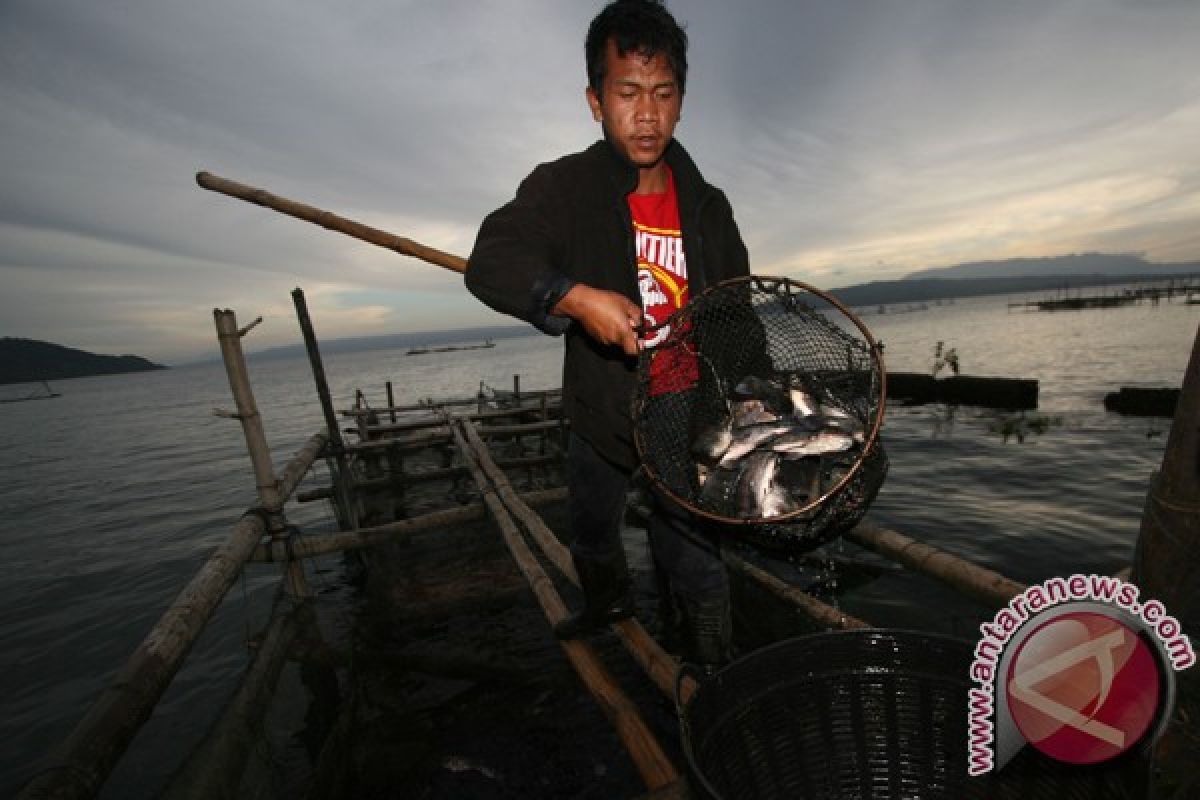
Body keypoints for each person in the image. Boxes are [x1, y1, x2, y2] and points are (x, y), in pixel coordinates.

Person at [465, 0, 750, 668]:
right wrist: (571, 295)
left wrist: (745, 395)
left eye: (662, 93)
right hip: (600, 410)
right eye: (627, 93)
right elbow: (490, 260)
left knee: (695, 558)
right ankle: (607, 606)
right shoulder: (563, 188)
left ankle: (713, 670)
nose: (646, 114)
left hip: (685, 416)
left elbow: (738, 315)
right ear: (596, 101)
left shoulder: (708, 206)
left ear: (681, 100)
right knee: (592, 531)